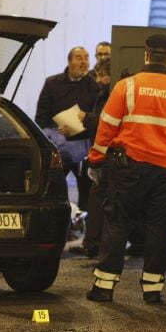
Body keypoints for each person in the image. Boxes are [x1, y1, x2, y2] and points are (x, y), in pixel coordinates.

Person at [85, 34, 166, 304]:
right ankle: (152, 290)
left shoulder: (126, 86)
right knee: (157, 227)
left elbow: (106, 127)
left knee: (117, 224)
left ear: (146, 55)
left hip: (129, 168)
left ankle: (104, 287)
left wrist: (95, 161)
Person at [35, 46, 99, 211]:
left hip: (83, 148)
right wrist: (51, 134)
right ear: (69, 61)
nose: (84, 62)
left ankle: (85, 226)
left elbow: (97, 118)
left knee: (86, 193)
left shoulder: (95, 86)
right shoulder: (52, 83)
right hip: (58, 147)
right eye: (79, 57)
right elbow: (41, 116)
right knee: (53, 191)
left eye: (86, 57)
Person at [68, 59, 112, 257]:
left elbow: (105, 120)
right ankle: (94, 242)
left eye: (102, 75)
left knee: (97, 197)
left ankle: (92, 243)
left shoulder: (111, 93)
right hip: (105, 154)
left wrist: (85, 118)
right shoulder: (103, 93)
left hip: (107, 155)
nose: (99, 79)